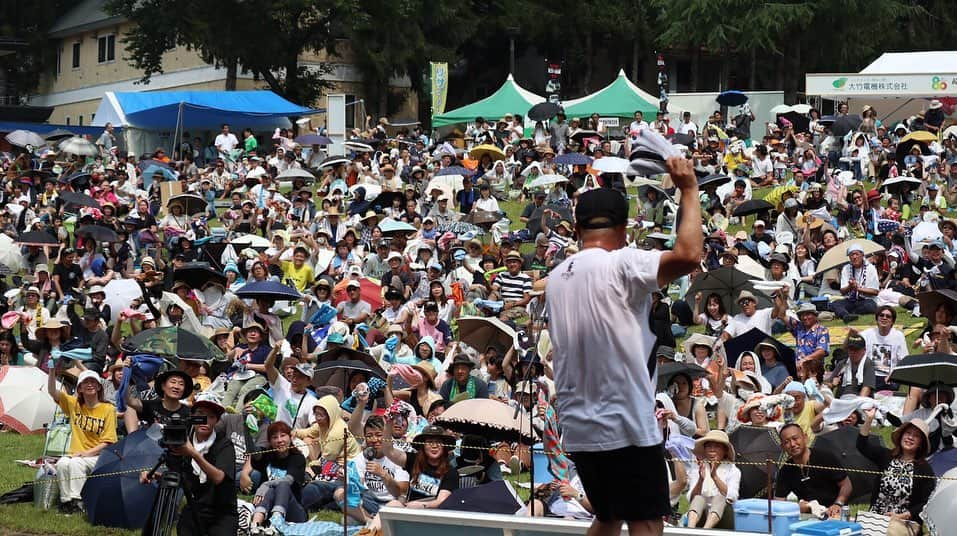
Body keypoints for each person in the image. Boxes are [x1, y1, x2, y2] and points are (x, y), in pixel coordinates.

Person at [546, 156, 702, 536]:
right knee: (646, 521)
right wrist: (689, 189)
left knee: (609, 518)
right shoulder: (621, 264)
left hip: (579, 424)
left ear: (577, 228)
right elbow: (689, 255)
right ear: (625, 226)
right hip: (625, 420)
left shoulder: (555, 278)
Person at [142, 393, 237, 535]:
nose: (204, 421)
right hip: (195, 507)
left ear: (216, 421)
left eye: (210, 417)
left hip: (222, 512)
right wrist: (157, 476)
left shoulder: (223, 444)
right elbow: (183, 477)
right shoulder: (183, 441)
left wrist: (194, 454)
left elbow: (219, 478)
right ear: (193, 417)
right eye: (200, 415)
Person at [47, 367, 117, 514]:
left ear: (99, 387)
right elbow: (53, 392)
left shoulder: (108, 409)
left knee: (75, 463)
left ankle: (78, 501)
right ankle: (66, 501)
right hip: (77, 454)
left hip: (99, 456)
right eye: (85, 382)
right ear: (79, 388)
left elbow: (109, 441)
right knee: (62, 463)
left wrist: (85, 453)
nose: (90, 384)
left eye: (93, 381)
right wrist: (52, 371)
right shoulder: (74, 405)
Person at [857, 409, 935, 533]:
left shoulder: (925, 469)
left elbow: (926, 502)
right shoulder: (886, 455)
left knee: (889, 531)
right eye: (908, 433)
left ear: (921, 443)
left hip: (904, 521)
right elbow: (861, 445)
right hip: (876, 518)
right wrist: (869, 419)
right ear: (901, 436)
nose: (910, 437)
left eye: (916, 436)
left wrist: (901, 516)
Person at [775, 423, 852, 518]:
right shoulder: (786, 470)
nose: (792, 444)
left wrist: (838, 504)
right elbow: (778, 501)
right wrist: (796, 508)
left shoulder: (825, 457)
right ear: (782, 447)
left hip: (834, 513)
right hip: (807, 516)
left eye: (795, 438)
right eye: (787, 442)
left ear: (805, 438)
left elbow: (846, 485)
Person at [249, 421, 308, 531]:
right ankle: (255, 525)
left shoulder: (297, 458)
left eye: (283, 436)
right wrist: (248, 431)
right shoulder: (268, 455)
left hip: (294, 514)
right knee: (271, 490)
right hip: (268, 508)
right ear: (270, 441)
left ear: (290, 438)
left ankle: (276, 523)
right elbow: (253, 452)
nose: (279, 440)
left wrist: (265, 484)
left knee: (282, 485)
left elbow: (288, 480)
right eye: (275, 437)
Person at [685, 430, 740, 529]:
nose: (712, 450)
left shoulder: (733, 470)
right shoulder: (698, 468)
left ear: (725, 451)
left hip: (723, 516)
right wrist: (700, 481)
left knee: (719, 498)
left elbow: (732, 496)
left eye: (717, 446)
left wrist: (715, 477)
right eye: (709, 446)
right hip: (700, 514)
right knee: (698, 498)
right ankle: (690, 530)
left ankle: (705, 531)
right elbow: (690, 497)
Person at [830, 243, 880, 322]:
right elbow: (842, 291)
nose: (854, 257)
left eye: (857, 254)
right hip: (850, 299)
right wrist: (850, 287)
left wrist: (858, 289)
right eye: (851, 255)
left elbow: (875, 292)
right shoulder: (846, 268)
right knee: (835, 304)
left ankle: (849, 313)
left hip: (866, 300)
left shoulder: (871, 268)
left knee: (870, 306)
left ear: (862, 255)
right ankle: (846, 315)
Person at [831, 334, 875, 398]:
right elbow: (829, 383)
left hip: (859, 399)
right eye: (851, 349)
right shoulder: (842, 363)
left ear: (864, 350)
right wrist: (832, 384)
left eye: (856, 350)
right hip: (842, 399)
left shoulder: (868, 363)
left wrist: (857, 403)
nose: (853, 353)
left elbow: (867, 388)